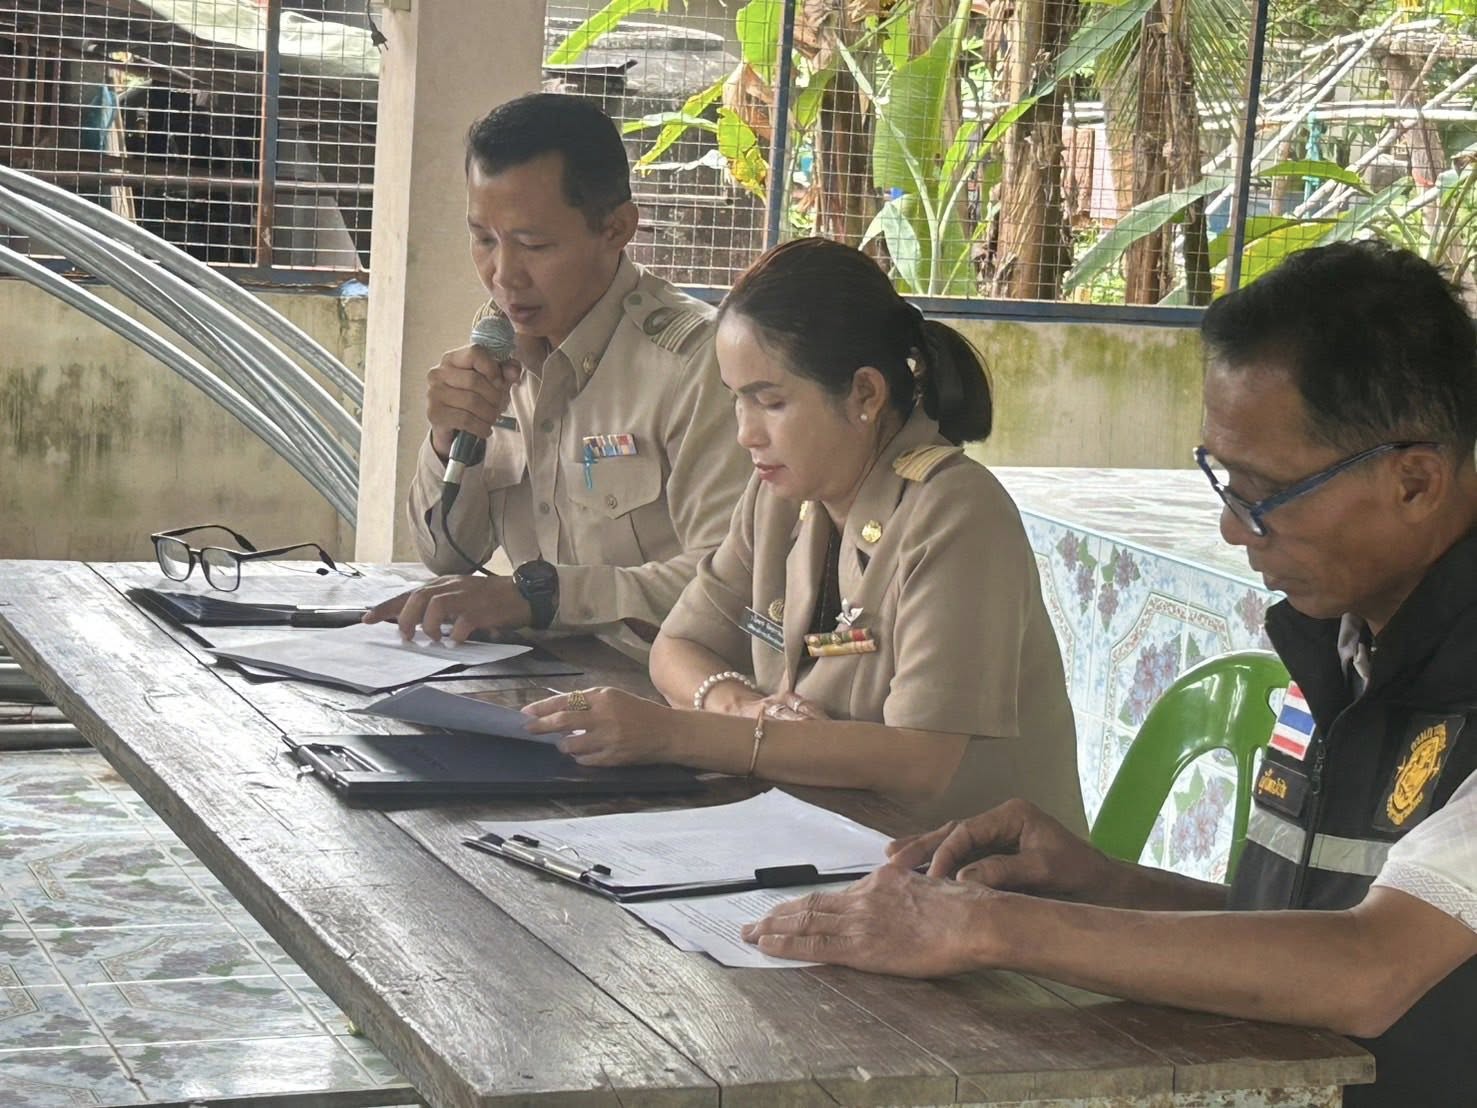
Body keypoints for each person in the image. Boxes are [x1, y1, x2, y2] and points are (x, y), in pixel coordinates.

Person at [742, 240, 1477, 1107]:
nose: (1233, 529)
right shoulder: (1348, 643)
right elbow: (1298, 934)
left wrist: (989, 926)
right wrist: (1106, 886)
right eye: (1222, 481)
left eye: (1260, 492)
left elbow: (1369, 967)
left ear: (1414, 482)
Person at [521, 238, 1086, 829]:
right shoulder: (779, 500)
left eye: (769, 402)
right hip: (827, 837)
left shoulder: (955, 511)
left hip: (970, 867)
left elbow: (920, 759)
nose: (746, 434)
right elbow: (678, 646)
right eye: (737, 401)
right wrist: (739, 707)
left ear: (865, 394)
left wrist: (679, 734)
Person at [366, 94, 749, 641]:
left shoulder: (697, 365)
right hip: (530, 675)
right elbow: (445, 554)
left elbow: (730, 583)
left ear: (616, 229)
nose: (503, 274)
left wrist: (543, 598)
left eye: (534, 244)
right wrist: (449, 442)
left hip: (652, 680)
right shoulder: (497, 349)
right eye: (483, 239)